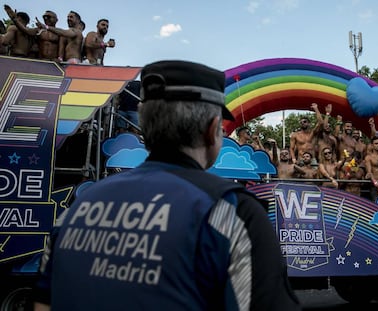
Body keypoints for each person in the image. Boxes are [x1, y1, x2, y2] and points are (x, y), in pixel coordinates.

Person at [33, 60, 301, 311]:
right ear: (212, 129)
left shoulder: (77, 209)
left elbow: (43, 304)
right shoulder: (231, 212)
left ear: (146, 125)